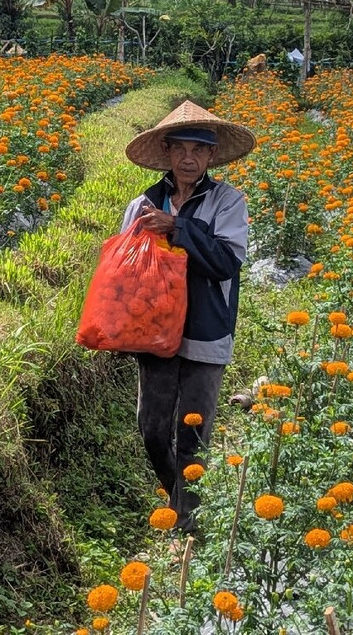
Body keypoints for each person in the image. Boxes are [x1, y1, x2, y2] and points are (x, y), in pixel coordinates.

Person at [120, 100, 255, 534]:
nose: (189, 158)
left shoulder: (228, 202)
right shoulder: (143, 203)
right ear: (167, 151)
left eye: (199, 149)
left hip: (205, 330)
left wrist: (177, 230)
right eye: (181, 149)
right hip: (154, 332)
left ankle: (188, 524)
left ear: (212, 156)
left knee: (193, 432)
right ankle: (179, 498)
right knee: (153, 431)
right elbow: (125, 270)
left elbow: (225, 264)